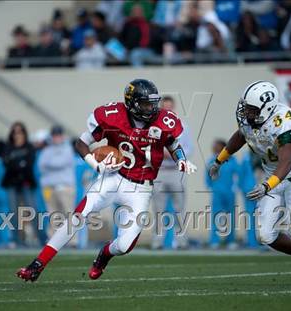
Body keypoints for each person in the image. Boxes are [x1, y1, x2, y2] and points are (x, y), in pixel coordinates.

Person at [17, 79, 197, 282]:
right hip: (113, 177)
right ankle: (37, 265)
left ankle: (104, 255)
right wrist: (96, 165)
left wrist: (181, 160)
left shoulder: (164, 121)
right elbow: (81, 143)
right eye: (146, 103)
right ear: (133, 103)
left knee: (124, 246)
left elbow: (173, 144)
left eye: (153, 103)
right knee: (77, 216)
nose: (152, 108)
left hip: (141, 188)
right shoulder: (113, 116)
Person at [208, 81, 291, 286]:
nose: (245, 112)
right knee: (266, 236)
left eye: (250, 108)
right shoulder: (251, 119)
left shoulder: (286, 122)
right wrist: (219, 160)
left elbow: (287, 161)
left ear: (266, 108)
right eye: (245, 107)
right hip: (271, 174)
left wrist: (267, 186)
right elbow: (241, 136)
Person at [151, 96, 194, 250]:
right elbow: (149, 149)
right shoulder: (154, 126)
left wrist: (173, 154)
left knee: (179, 209)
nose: (168, 110)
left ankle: (181, 241)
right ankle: (157, 242)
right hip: (160, 171)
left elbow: (188, 149)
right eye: (165, 107)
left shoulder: (182, 126)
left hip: (176, 171)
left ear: (173, 108)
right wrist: (165, 153)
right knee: (158, 209)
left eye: (170, 107)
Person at [2, 122, 47, 247]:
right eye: (15, 132)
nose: (17, 135)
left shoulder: (29, 147)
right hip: (12, 183)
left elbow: (29, 163)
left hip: (26, 182)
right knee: (13, 213)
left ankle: (42, 238)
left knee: (33, 211)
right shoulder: (8, 147)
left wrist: (17, 164)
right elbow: (7, 163)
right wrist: (19, 164)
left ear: (24, 133)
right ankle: (15, 239)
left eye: (20, 132)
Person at [38, 126, 75, 228]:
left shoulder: (68, 149)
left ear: (62, 136)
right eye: (54, 135)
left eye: (58, 135)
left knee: (68, 213)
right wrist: (52, 164)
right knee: (52, 214)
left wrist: (49, 164)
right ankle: (53, 240)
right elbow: (41, 166)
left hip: (65, 187)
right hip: (49, 187)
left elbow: (60, 163)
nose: (56, 138)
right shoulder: (46, 150)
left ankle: (72, 240)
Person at [205, 139, 239, 249]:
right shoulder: (212, 161)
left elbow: (238, 175)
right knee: (216, 216)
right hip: (217, 193)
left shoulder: (232, 160)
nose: (214, 148)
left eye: (216, 146)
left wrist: (235, 187)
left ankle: (231, 240)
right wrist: (211, 187)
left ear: (223, 147)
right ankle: (215, 240)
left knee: (230, 217)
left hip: (230, 192)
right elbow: (208, 176)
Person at [238, 151, 259, 248]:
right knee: (250, 216)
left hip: (262, 189)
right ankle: (252, 242)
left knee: (265, 216)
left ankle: (266, 241)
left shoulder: (265, 154)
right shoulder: (246, 157)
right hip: (250, 189)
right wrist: (241, 187)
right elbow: (241, 174)